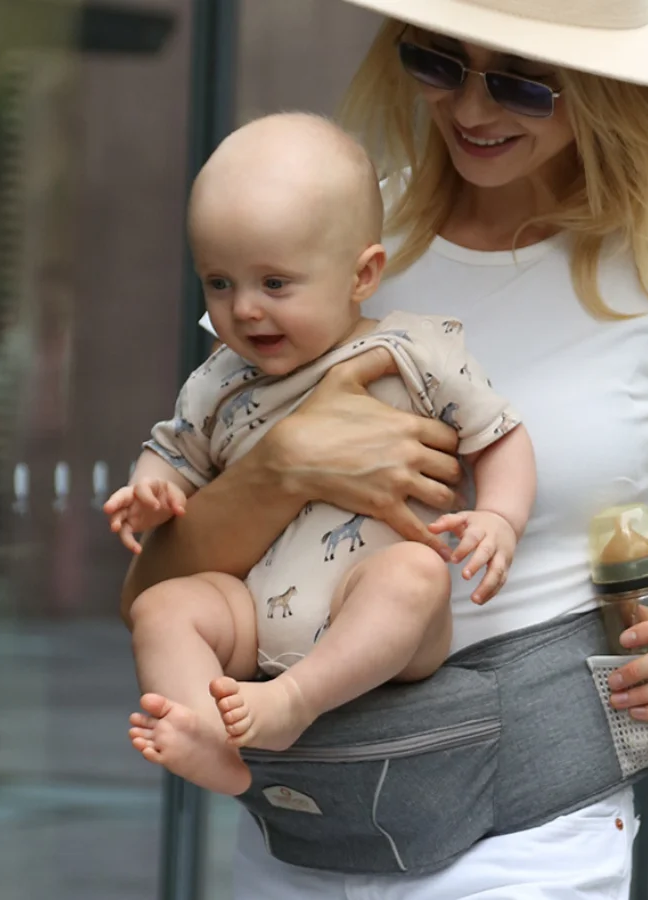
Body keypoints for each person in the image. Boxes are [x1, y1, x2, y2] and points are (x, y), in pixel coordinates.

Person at [120, 2, 648, 897]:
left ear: (613, 86)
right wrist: (284, 466)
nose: (474, 111)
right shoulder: (332, 236)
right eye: (439, 64)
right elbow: (152, 588)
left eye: (525, 82)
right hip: (306, 817)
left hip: (530, 830)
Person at [108, 113, 536, 796]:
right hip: (252, 613)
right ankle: (208, 739)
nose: (245, 310)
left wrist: (501, 520)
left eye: (275, 284)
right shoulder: (219, 380)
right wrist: (152, 489)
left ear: (363, 274)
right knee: (164, 609)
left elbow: (501, 435)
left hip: (376, 614)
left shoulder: (411, 353)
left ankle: (295, 702)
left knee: (414, 575)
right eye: (219, 283)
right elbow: (171, 450)